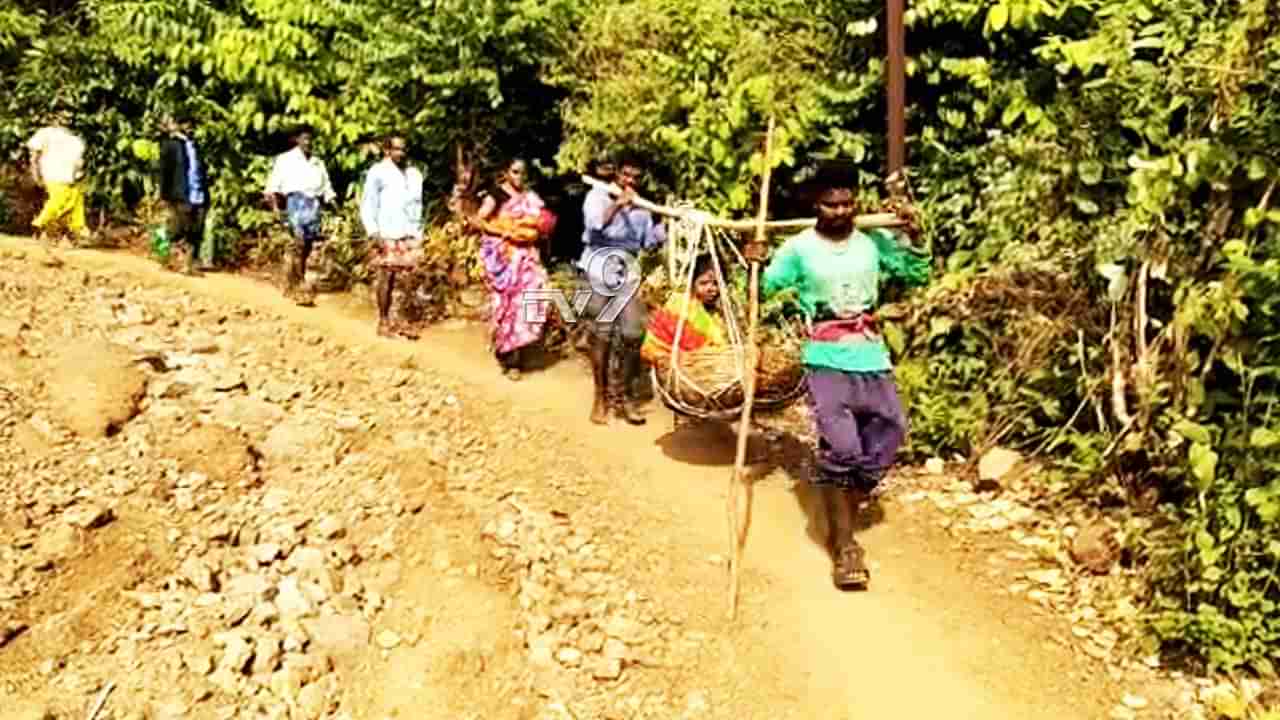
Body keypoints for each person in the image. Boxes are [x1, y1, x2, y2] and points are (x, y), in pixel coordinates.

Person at [743, 163, 928, 591]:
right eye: (832, 203)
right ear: (816, 205)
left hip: (870, 352)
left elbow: (915, 274)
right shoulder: (798, 249)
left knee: (890, 430)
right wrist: (755, 263)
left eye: (848, 203)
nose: (841, 211)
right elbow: (768, 288)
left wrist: (914, 240)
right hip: (824, 354)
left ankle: (837, 491)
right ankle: (844, 546)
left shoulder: (873, 241)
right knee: (842, 447)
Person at [579, 155, 667, 425]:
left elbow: (648, 243)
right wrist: (618, 204)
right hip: (598, 268)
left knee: (633, 333)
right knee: (602, 335)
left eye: (635, 177)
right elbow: (596, 225)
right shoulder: (597, 195)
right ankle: (601, 397)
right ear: (617, 174)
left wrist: (667, 225)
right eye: (626, 175)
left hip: (625, 274)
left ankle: (624, 395)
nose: (630, 181)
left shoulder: (642, 208)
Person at [472, 158, 557, 380]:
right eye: (515, 172)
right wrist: (505, 231)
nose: (519, 177)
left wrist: (534, 230)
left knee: (533, 297)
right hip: (506, 259)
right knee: (508, 306)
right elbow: (479, 221)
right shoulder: (496, 195)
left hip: (527, 257)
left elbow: (542, 223)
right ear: (506, 172)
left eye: (523, 173)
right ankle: (511, 358)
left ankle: (522, 347)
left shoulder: (530, 197)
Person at [360, 134, 424, 340]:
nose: (401, 153)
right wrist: (373, 231)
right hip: (386, 231)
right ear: (387, 151)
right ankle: (384, 320)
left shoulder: (414, 174)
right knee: (386, 276)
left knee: (408, 278)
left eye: (403, 149)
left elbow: (418, 204)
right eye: (396, 149)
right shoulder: (378, 172)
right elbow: (368, 203)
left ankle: (403, 320)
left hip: (408, 233)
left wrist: (418, 232)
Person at [264, 125, 336, 306]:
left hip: (313, 206)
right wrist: (276, 209)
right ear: (296, 140)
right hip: (295, 203)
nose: (308, 142)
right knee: (298, 244)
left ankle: (294, 279)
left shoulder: (318, 162)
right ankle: (298, 286)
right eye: (304, 138)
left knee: (307, 248)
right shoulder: (285, 159)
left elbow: (326, 187)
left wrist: (334, 204)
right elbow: (273, 186)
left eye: (310, 139)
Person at [640, 253, 728, 368]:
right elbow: (657, 342)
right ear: (692, 283)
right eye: (704, 283)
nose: (711, 289)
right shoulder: (680, 303)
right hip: (677, 370)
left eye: (716, 284)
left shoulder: (717, 316)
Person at [157, 114, 211, 276]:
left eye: (191, 124)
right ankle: (176, 262)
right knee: (180, 228)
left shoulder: (197, 146)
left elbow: (202, 170)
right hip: (180, 193)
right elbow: (165, 172)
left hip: (199, 193)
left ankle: (192, 262)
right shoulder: (170, 145)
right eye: (186, 124)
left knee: (197, 230)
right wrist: (164, 195)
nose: (190, 127)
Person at [27, 111, 89, 246]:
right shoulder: (46, 133)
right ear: (56, 119)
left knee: (75, 204)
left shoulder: (76, 140)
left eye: (69, 118)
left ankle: (73, 233)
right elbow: (34, 155)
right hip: (53, 173)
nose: (67, 121)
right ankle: (38, 225)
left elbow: (79, 161)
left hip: (71, 176)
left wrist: (80, 174)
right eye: (64, 118)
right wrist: (35, 173)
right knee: (59, 199)